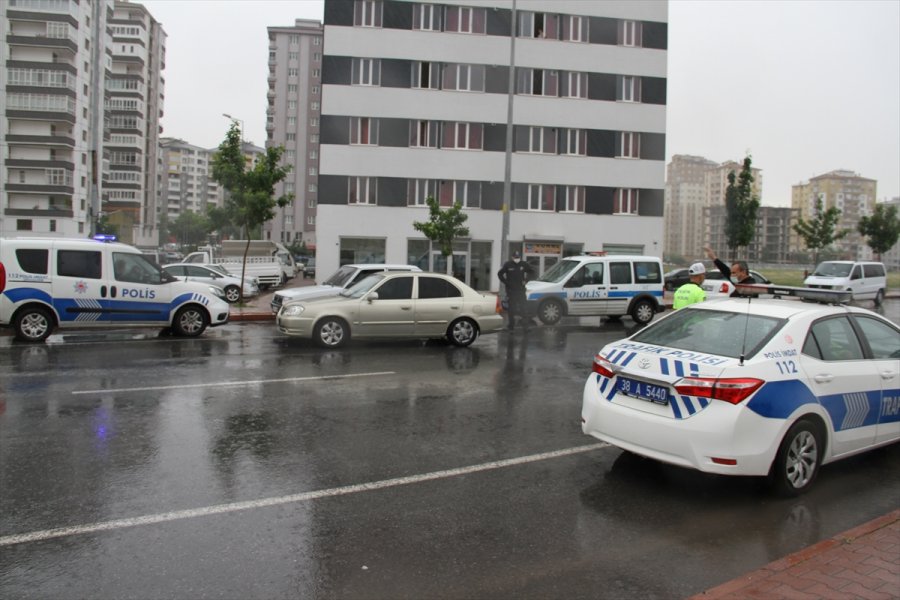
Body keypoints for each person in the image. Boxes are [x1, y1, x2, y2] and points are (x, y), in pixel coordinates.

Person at [497, 250, 536, 330]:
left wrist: (526, 280)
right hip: (511, 291)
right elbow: (500, 274)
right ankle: (511, 326)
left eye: (518, 257)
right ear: (512, 257)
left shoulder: (523, 264)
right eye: (515, 257)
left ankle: (525, 327)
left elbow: (532, 272)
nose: (517, 259)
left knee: (524, 308)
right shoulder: (508, 265)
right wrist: (506, 282)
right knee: (511, 309)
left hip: (521, 290)